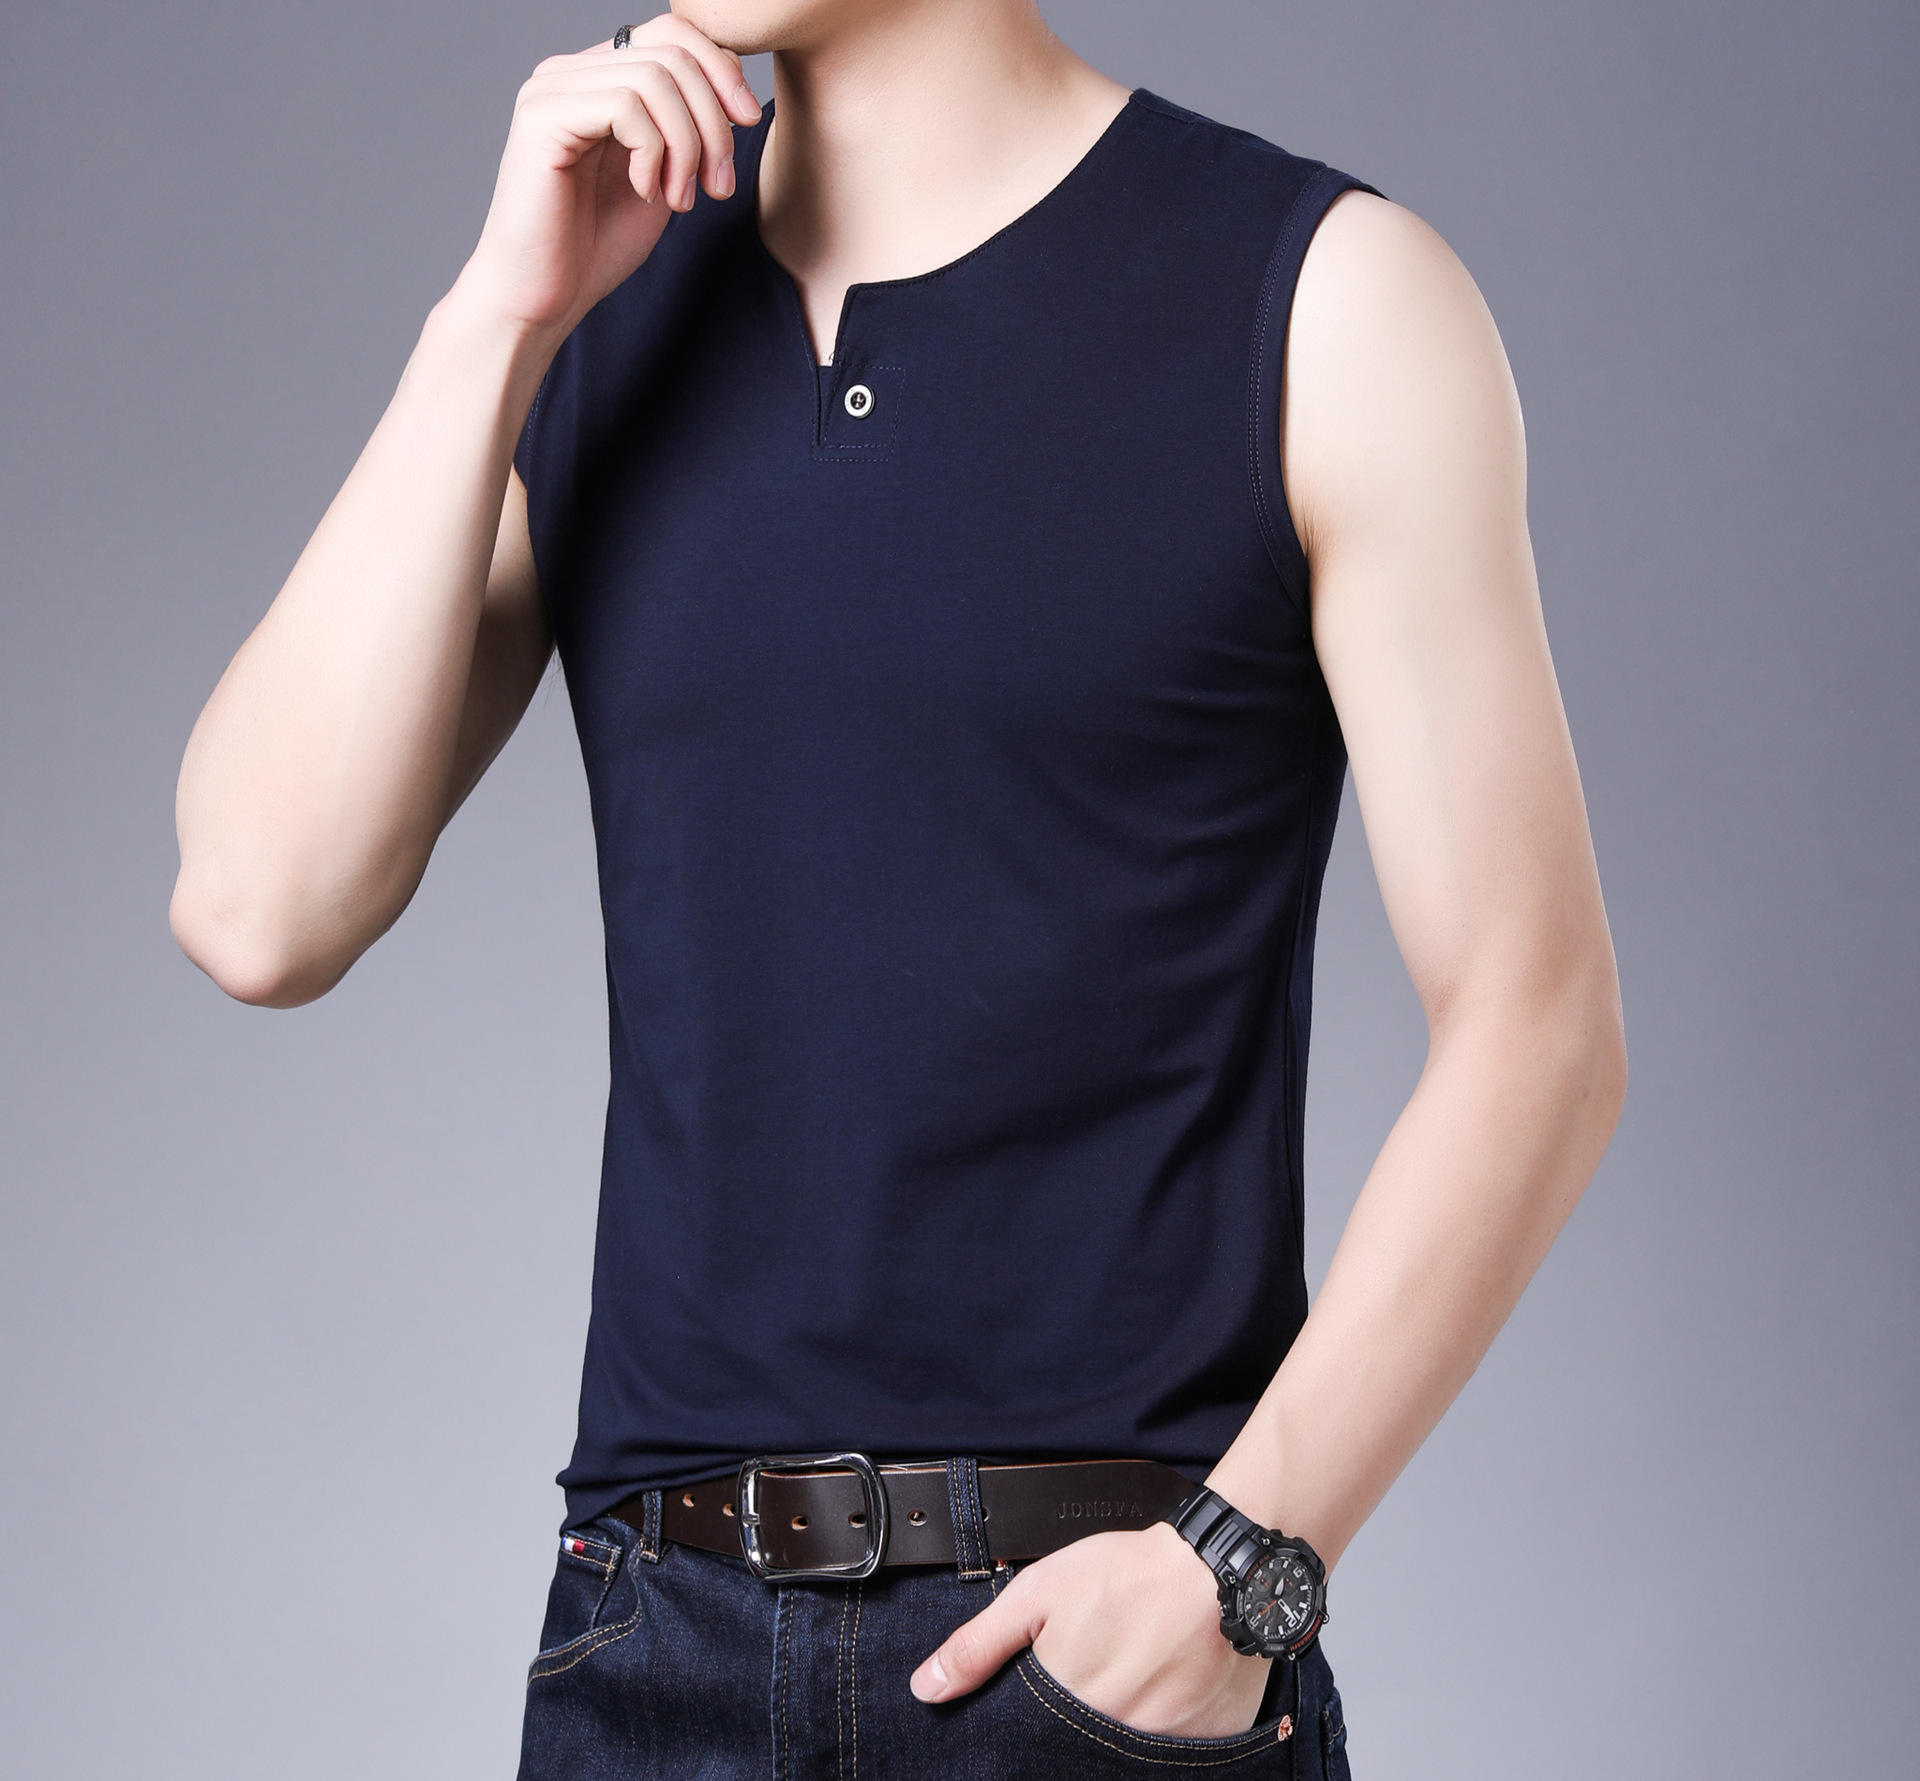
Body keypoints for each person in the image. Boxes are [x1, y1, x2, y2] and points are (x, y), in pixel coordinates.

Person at [169, 1, 1626, 1774]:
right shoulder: (602, 299)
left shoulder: (1326, 295)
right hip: (650, 1637)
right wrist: (496, 318)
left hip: (1098, 1668)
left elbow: (1540, 1027)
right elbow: (258, 906)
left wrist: (1234, 1566)